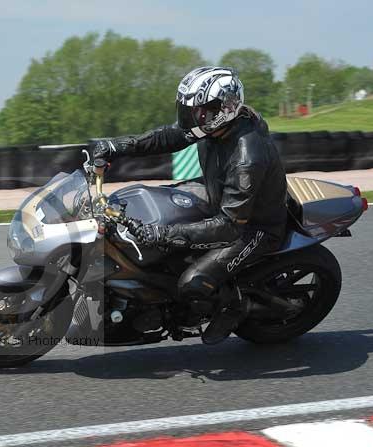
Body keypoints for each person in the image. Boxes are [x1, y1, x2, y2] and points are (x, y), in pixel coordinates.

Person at [91, 66, 289, 345]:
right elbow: (167, 137)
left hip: (252, 227)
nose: (190, 118)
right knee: (154, 214)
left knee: (191, 283)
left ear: (224, 108)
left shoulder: (247, 157)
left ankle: (234, 304)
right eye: (188, 110)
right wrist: (117, 146)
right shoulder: (214, 126)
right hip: (218, 195)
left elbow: (229, 226)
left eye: (198, 111)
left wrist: (162, 235)